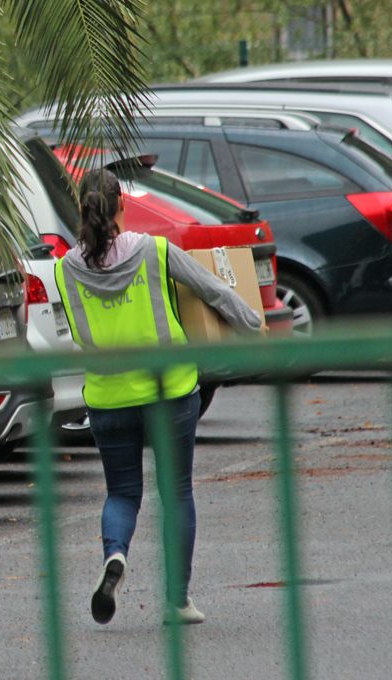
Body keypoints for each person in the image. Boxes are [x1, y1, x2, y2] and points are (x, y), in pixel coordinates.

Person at [54, 168, 263, 627]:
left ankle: (116, 558)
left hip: (108, 397)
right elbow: (215, 292)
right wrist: (253, 325)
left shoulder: (64, 270)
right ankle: (177, 600)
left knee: (122, 493)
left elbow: (79, 334)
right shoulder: (155, 250)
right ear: (121, 208)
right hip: (169, 391)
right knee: (177, 493)